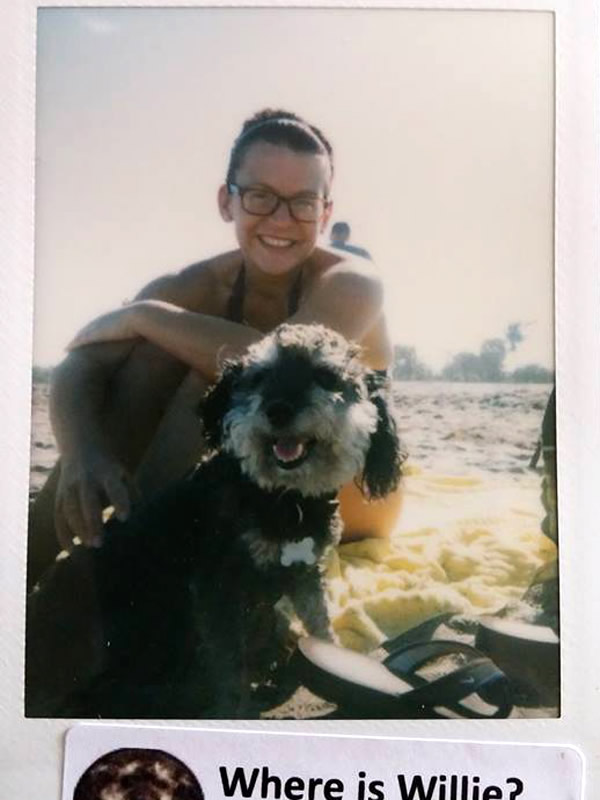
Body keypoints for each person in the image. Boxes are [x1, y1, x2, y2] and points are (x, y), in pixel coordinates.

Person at [27, 109, 402, 589]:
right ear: (228, 201)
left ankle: (125, 561)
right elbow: (84, 362)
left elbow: (281, 364)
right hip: (254, 466)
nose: (282, 219)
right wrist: (82, 450)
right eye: (261, 196)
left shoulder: (353, 282)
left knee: (218, 371)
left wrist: (144, 316)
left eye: (303, 202)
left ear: (325, 213)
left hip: (348, 492)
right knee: (157, 358)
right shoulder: (199, 283)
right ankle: (30, 562)